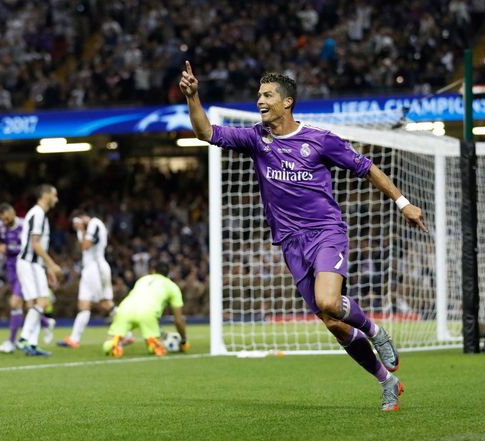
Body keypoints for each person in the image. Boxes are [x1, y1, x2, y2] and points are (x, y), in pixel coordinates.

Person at [179, 61, 428, 411]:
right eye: (258, 95)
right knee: (331, 323)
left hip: (326, 232)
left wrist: (403, 203)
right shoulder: (256, 138)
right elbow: (207, 133)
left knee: (329, 303)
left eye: (267, 95)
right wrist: (193, 97)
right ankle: (387, 381)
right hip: (290, 243)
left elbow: (366, 167)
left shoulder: (320, 140)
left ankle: (375, 331)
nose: (260, 101)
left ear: (287, 102)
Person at [0, 203, 55, 353]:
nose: (5, 221)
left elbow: (32, 244)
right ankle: (46, 323)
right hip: (11, 268)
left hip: (25, 265)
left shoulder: (25, 224)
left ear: (13, 212)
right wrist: (4, 248)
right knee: (29, 304)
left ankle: (12, 341)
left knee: (15, 302)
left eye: (7, 217)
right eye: (3, 219)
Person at [102, 262, 190, 358]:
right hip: (147, 312)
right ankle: (154, 344)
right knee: (154, 345)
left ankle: (114, 344)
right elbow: (178, 320)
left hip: (125, 309)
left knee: (109, 343)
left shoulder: (143, 279)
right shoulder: (172, 287)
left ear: (153, 271)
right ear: (168, 274)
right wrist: (184, 340)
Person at [58, 210, 116, 348]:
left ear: (84, 217)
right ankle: (74, 339)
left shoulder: (94, 223)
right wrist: (81, 231)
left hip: (97, 268)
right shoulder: (84, 229)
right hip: (88, 269)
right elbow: (81, 248)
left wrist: (82, 229)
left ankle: (128, 334)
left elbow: (86, 245)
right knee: (83, 305)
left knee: (105, 303)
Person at [16, 184, 62, 356]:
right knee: (42, 302)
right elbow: (35, 244)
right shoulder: (38, 214)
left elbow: (39, 244)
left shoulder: (39, 214)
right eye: (54, 195)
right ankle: (24, 338)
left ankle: (32, 344)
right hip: (29, 263)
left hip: (34, 264)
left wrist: (46, 268)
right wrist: (51, 264)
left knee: (37, 305)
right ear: (45, 195)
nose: (56, 200)